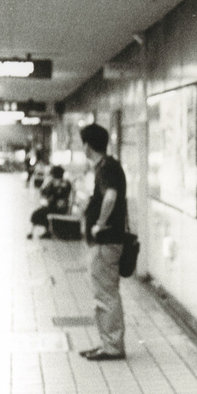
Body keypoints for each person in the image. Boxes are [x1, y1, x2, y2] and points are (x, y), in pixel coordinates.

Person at [78, 124, 128, 361]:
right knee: (104, 293)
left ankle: (112, 346)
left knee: (106, 295)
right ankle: (108, 343)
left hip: (105, 242)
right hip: (107, 242)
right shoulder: (106, 167)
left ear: (87, 145)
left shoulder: (107, 168)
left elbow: (110, 196)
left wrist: (98, 223)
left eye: (83, 144)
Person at [27, 165, 72, 239]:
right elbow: (43, 192)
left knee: (40, 214)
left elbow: (59, 195)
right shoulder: (54, 183)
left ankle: (46, 231)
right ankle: (44, 231)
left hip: (59, 208)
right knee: (40, 213)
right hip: (53, 207)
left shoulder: (63, 183)